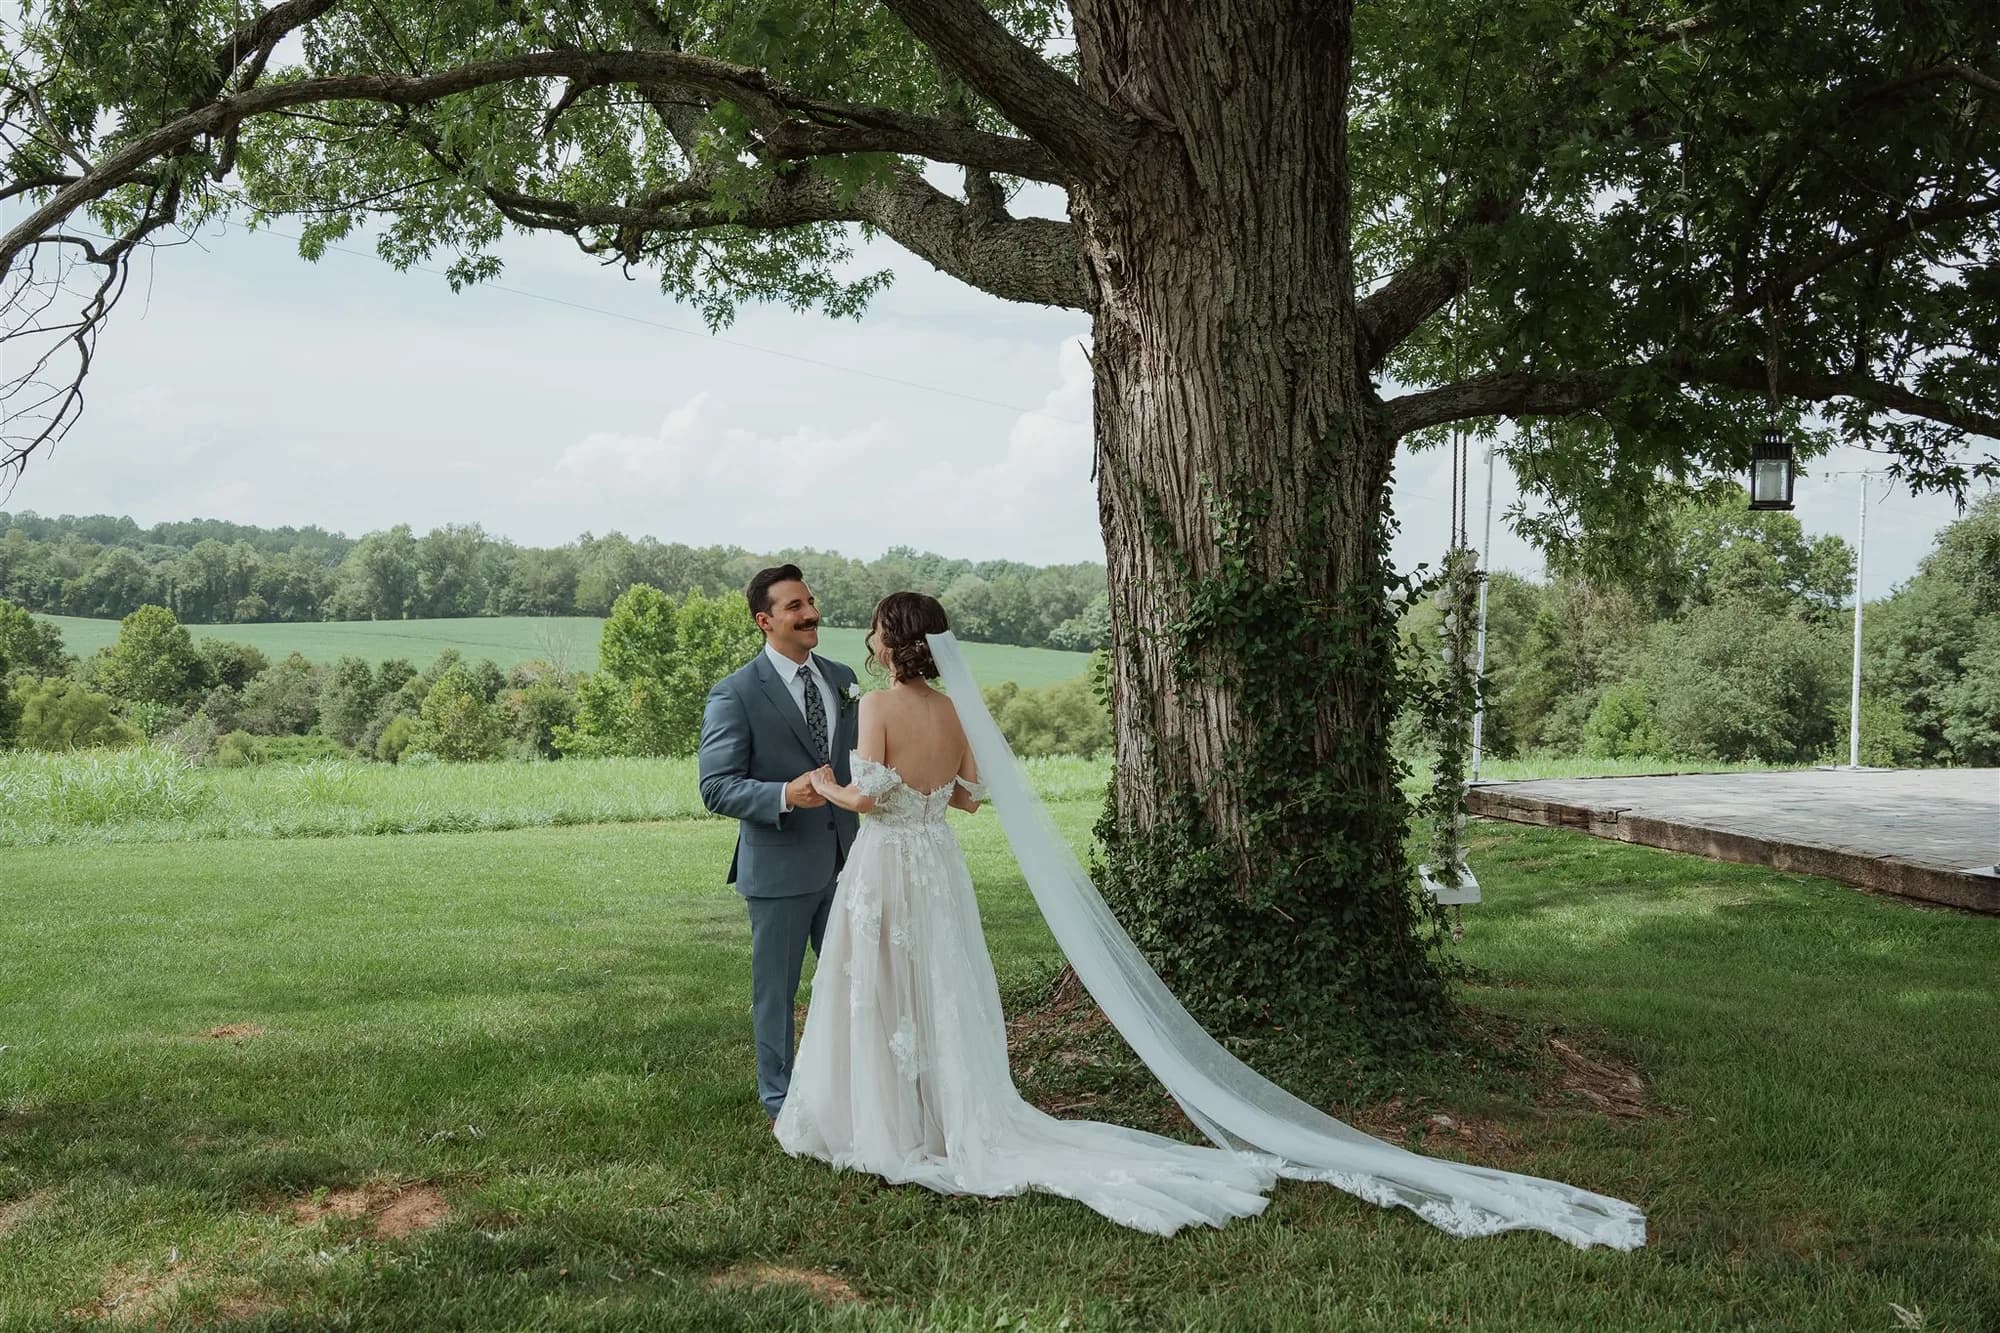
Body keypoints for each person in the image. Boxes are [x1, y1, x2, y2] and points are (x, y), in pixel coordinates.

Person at [772, 591, 1648, 1247]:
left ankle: (891, 1123)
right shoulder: (957, 711)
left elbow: (868, 802)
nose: (870, 641)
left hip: (888, 870)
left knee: (882, 993)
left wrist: (822, 786)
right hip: (942, 872)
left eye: (877, 632)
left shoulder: (877, 707)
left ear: (893, 643)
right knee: (937, 989)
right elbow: (964, 800)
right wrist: (901, 795)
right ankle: (935, 1114)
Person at [697, 565, 862, 1123]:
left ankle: (853, 1085)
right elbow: (715, 788)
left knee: (856, 980)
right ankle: (780, 1099)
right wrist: (784, 794)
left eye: (810, 601)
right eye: (795, 606)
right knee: (777, 992)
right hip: (780, 868)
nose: (810, 612)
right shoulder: (736, 694)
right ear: (765, 621)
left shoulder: (841, 677)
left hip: (852, 859)